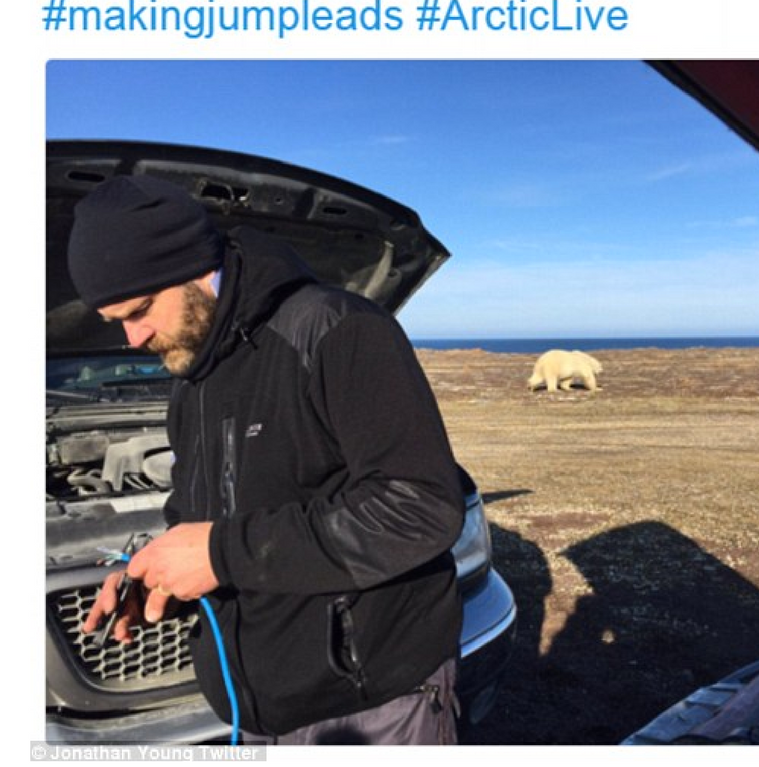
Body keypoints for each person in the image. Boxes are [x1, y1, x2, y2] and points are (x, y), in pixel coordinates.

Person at [73, 175, 465, 744]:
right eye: (119, 322)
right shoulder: (192, 379)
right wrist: (156, 576)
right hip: (255, 710)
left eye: (140, 310)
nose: (134, 339)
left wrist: (220, 554)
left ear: (191, 268)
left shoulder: (337, 329)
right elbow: (198, 518)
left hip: (370, 702)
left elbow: (421, 508)